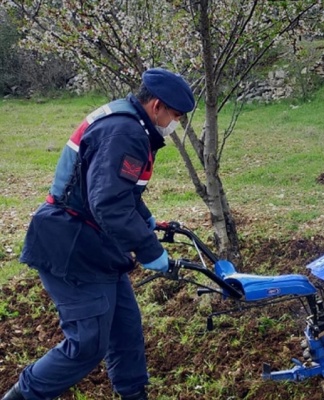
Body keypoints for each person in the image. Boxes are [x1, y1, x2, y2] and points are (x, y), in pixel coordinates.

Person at [2, 68, 195, 400]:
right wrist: (151, 252)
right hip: (71, 246)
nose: (175, 123)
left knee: (125, 329)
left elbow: (118, 192)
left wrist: (147, 222)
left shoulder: (127, 121)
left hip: (93, 242)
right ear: (157, 106)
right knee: (87, 344)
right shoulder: (126, 134)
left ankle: (134, 394)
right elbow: (108, 204)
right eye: (176, 116)